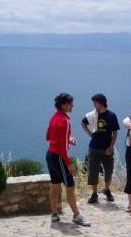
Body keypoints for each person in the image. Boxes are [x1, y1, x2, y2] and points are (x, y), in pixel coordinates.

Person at [46, 93, 90, 226]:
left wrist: (68, 139)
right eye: (70, 103)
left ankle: (54, 215)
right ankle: (76, 216)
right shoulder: (64, 120)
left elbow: (49, 137)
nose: (72, 106)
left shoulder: (54, 117)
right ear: (63, 105)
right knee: (70, 186)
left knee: (55, 186)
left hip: (50, 155)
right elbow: (63, 147)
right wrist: (69, 163)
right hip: (59, 157)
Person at [81, 93, 120, 203]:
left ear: (101, 103)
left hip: (107, 148)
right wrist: (89, 133)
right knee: (93, 171)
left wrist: (111, 147)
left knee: (109, 170)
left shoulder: (111, 116)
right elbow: (83, 123)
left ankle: (107, 190)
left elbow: (115, 133)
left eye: (95, 102)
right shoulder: (92, 115)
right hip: (94, 147)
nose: (93, 104)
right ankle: (94, 194)